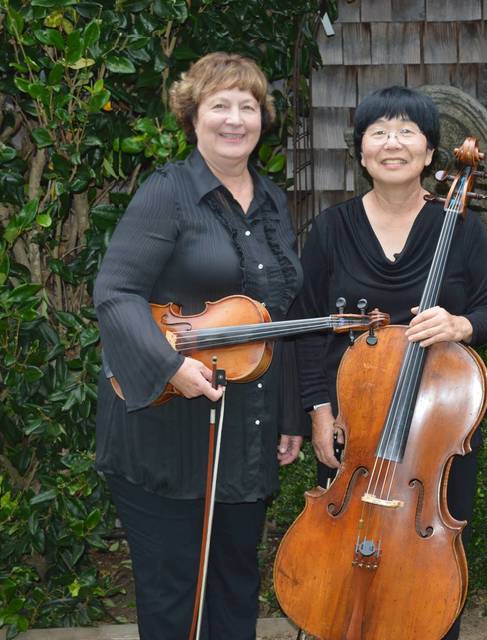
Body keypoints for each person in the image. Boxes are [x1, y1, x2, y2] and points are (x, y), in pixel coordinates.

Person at [94, 52, 305, 639]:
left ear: (263, 118)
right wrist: (170, 367)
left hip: (247, 433)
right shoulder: (168, 192)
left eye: (248, 106)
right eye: (220, 106)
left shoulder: (271, 202)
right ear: (193, 116)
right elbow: (115, 292)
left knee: (235, 587)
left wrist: (289, 413)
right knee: (174, 599)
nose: (235, 119)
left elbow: (277, 319)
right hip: (165, 428)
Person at [294, 85, 487, 639]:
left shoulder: (460, 226)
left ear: (430, 152)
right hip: (354, 430)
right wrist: (318, 411)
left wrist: (460, 325)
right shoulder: (331, 229)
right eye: (379, 132)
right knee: (339, 570)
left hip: (435, 436)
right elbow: (310, 326)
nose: (393, 143)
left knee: (426, 576)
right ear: (361, 152)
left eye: (407, 131)